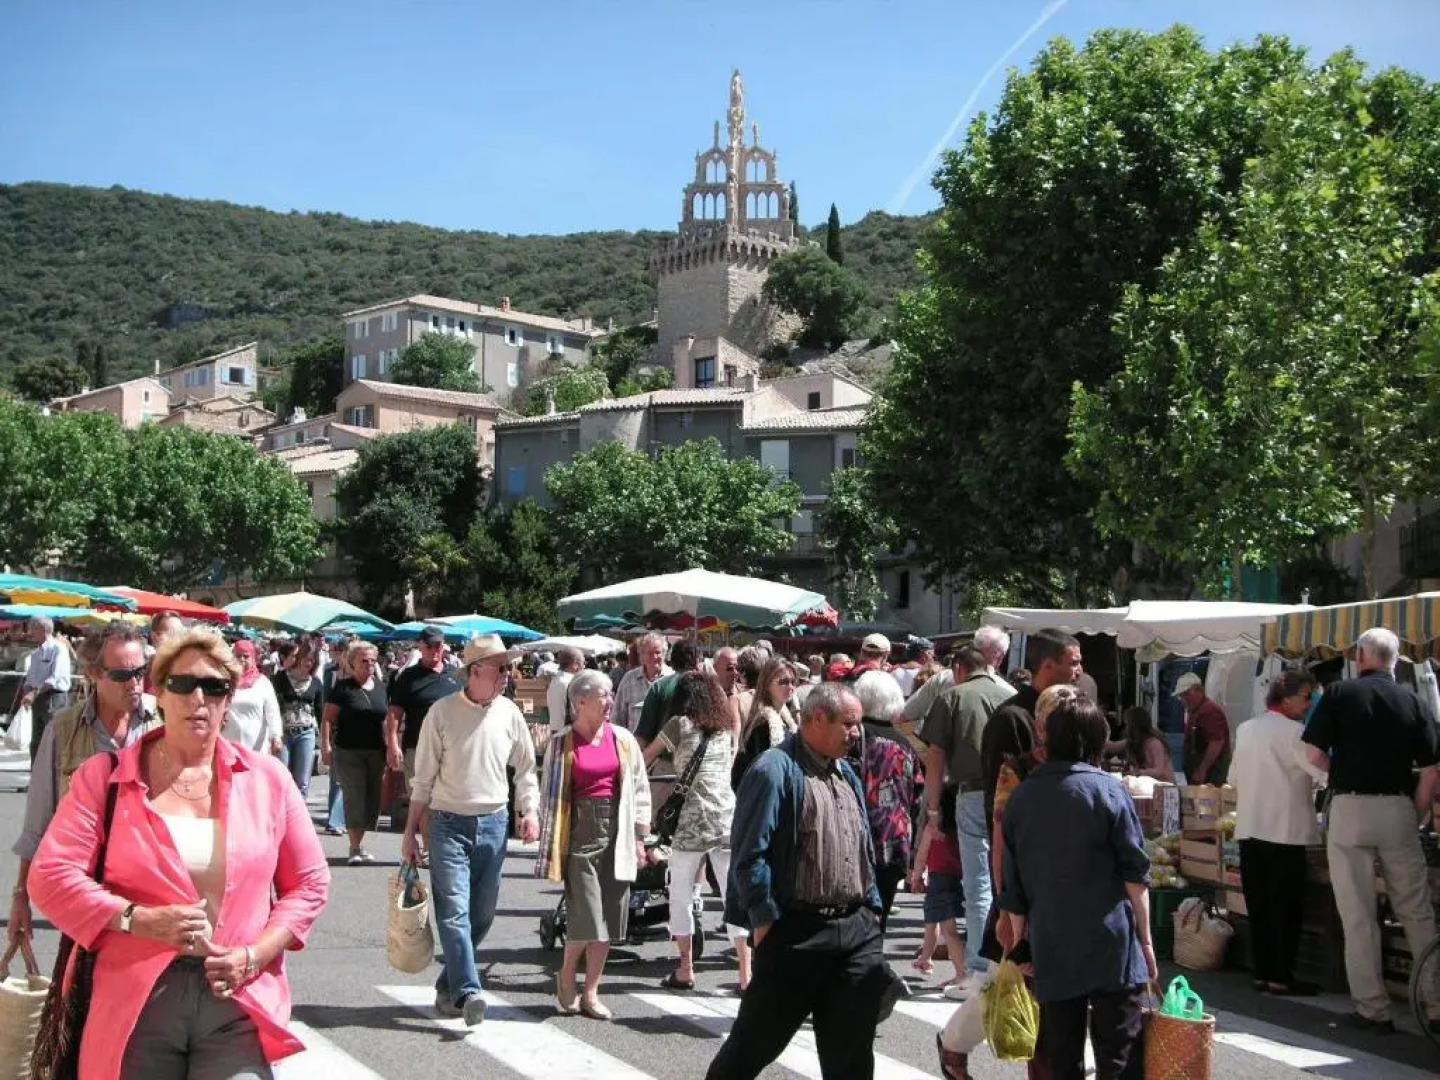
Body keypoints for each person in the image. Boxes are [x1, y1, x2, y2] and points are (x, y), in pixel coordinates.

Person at [27, 627, 330, 1080]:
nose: (198, 698)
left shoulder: (268, 780)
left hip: (236, 997)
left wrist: (253, 954)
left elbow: (309, 883)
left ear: (229, 699)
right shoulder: (104, 777)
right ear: (158, 692)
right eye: (183, 684)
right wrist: (136, 918)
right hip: (136, 999)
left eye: (214, 687)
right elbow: (51, 875)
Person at [707, 685, 887, 1079]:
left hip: (855, 932)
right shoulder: (774, 769)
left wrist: (871, 910)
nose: (857, 733)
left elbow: (862, 847)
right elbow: (749, 853)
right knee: (752, 1046)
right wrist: (765, 920)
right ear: (817, 718)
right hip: (796, 933)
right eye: (850, 724)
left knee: (853, 1057)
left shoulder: (845, 771)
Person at [996, 697, 1155, 1080]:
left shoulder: (1022, 797)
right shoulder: (1108, 791)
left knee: (1061, 1053)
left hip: (1052, 940)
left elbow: (1013, 885)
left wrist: (1018, 944)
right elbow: (1135, 875)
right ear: (1097, 738)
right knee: (1119, 1053)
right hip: (1110, 942)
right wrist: (1146, 941)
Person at [1302, 627, 1440, 1033]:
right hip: (1398, 806)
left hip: (1350, 806)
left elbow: (1312, 752)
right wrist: (1413, 812)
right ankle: (1435, 1002)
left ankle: (1372, 1008)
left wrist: (1337, 773)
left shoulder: (1340, 694)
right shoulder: (1413, 700)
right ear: (1395, 660)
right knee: (1416, 910)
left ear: (1361, 656)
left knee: (1358, 913)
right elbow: (1431, 770)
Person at [399, 635, 540, 1025]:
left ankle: (448, 986)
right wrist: (410, 832)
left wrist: (529, 811)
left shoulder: (509, 713)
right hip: (446, 823)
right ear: (475, 672)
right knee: (454, 912)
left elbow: (526, 768)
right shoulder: (441, 714)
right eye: (501, 668)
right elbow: (422, 779)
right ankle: (467, 992)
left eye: (509, 669)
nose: (507, 676)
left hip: (494, 823)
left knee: (482, 916)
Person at [9, 621, 160, 946]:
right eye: (121, 675)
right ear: (93, 674)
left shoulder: (163, 721)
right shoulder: (62, 731)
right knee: (83, 989)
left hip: (152, 890)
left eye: (140, 672)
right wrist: (21, 895)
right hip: (86, 891)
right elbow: (38, 821)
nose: (134, 684)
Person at [536, 669, 651, 1020]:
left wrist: (639, 835)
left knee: (611, 916)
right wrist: (553, 840)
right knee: (586, 917)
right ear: (580, 701)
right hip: (579, 833)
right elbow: (549, 796)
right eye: (603, 695)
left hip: (616, 830)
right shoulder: (561, 742)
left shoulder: (623, 739)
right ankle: (568, 973)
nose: (610, 701)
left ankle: (591, 992)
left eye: (610, 694)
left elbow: (639, 788)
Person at [642, 671, 751, 991]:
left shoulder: (677, 724)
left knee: (681, 895)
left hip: (691, 822)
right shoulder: (724, 729)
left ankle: (686, 968)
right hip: (726, 818)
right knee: (734, 896)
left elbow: (645, 759)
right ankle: (746, 973)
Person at [919, 645, 1013, 995]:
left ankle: (978, 968)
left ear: (959, 669)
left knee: (978, 884)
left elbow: (935, 756)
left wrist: (932, 809)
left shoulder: (953, 697)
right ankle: (1007, 961)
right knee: (1007, 879)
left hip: (973, 794)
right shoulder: (1010, 693)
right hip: (1012, 793)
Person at [1232, 669, 1327, 996]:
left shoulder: (1246, 729)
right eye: (1305, 697)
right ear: (1286, 699)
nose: (1308, 703)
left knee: (1259, 906)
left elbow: (1233, 777)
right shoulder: (1295, 732)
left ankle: (1262, 972)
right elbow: (1322, 770)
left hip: (1249, 828)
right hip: (1284, 832)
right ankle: (1280, 975)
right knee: (1285, 909)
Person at [851, 669, 922, 931]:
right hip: (895, 836)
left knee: (855, 917)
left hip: (858, 836)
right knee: (879, 918)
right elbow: (916, 793)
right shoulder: (905, 743)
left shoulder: (853, 737)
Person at [386, 627, 462, 837]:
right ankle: (430, 849)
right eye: (429, 646)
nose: (434, 650)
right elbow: (394, 713)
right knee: (423, 801)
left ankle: (442, 848)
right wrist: (393, 743)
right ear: (420, 647)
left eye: (438, 645)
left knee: (449, 802)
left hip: (452, 749)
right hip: (418, 748)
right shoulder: (408, 677)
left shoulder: (455, 675)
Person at [320, 641, 389, 865]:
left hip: (376, 751)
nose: (369, 664)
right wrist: (326, 746)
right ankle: (354, 847)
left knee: (372, 800)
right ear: (352, 662)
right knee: (354, 798)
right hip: (348, 751)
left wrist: (391, 746)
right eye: (363, 660)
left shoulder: (380, 687)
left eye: (372, 660)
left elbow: (387, 720)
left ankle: (359, 844)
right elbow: (327, 719)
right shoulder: (343, 688)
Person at [910, 782, 964, 990]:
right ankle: (925, 957)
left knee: (949, 930)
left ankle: (961, 973)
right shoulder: (958, 827)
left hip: (938, 878)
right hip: (955, 877)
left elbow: (922, 854)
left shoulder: (932, 828)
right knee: (933, 920)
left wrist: (916, 877)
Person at [732, 656, 799, 788]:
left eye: (793, 681)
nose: (790, 687)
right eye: (784, 681)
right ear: (767, 684)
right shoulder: (763, 723)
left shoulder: (787, 721)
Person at [17, 614, 74, 767]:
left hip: (54, 699)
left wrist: (33, 692)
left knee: (54, 739)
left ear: (42, 629)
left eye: (32, 628)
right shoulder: (36, 653)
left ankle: (55, 779)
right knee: (36, 741)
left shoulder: (58, 649)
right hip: (38, 698)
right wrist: (27, 690)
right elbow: (31, 678)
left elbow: (55, 678)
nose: (30, 632)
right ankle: (36, 780)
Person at [271, 642, 323, 799]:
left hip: (306, 733)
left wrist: (322, 740)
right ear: (297, 658)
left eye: (312, 660)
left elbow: (320, 711)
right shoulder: (279, 678)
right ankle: (280, 816)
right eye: (305, 659)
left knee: (302, 781)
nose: (308, 663)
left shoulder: (315, 682)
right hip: (283, 733)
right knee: (281, 776)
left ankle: (299, 817)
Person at [635, 639, 701, 746]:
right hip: (701, 757)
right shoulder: (710, 687)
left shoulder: (659, 686)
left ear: (672, 660)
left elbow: (643, 735)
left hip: (665, 756)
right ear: (697, 661)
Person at [223, 640, 282, 755]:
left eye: (246, 656)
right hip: (228, 744)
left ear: (253, 658)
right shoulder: (225, 681)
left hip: (255, 746)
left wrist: (276, 736)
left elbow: (272, 711)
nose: (241, 660)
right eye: (237, 656)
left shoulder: (262, 682)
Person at [1174, 671, 1231, 784]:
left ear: (1198, 690)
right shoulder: (1194, 711)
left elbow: (1216, 742)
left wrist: (1202, 770)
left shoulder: (1209, 711)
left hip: (1211, 776)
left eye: (1186, 694)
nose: (1184, 699)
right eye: (1181, 696)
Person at [614, 631, 671, 733]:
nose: (654, 657)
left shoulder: (672, 678)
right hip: (634, 746)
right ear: (641, 655)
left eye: (657, 652)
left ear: (664, 654)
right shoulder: (629, 679)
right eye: (649, 653)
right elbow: (617, 717)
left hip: (665, 747)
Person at [1118, 705, 1175, 783]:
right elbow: (1113, 746)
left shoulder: (1154, 743)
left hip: (1164, 785)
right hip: (1149, 784)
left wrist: (1140, 773)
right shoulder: (1136, 742)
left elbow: (1159, 770)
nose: (1126, 728)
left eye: (1128, 724)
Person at [144, 611, 186, 694]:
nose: (180, 639)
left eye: (182, 633)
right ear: (155, 637)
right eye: (173, 633)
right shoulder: (142, 671)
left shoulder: (186, 670)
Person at [546, 647, 584, 733]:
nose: (583, 667)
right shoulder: (572, 683)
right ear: (575, 664)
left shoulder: (555, 681)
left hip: (556, 729)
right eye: (582, 663)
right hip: (568, 732)